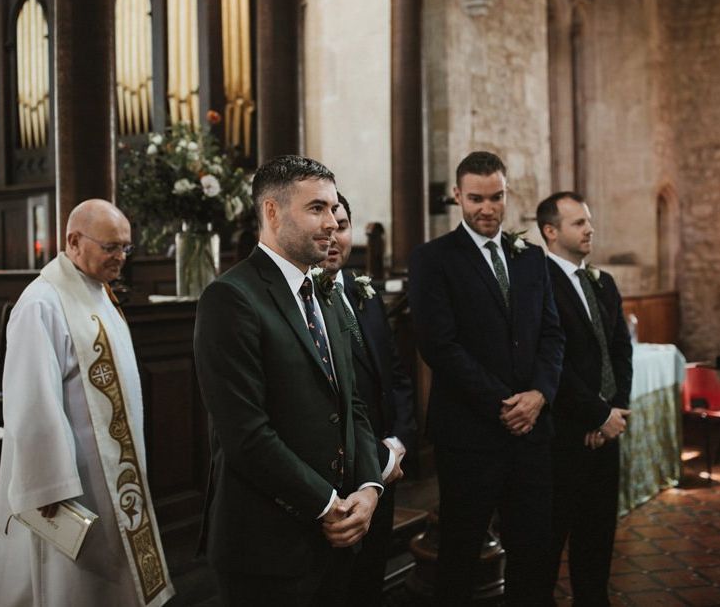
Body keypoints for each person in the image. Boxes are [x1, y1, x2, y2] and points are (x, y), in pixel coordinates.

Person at [194, 155, 383, 606]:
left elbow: (350, 403)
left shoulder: (323, 293)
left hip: (335, 537)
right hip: (267, 545)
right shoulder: (231, 297)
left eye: (335, 210)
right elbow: (246, 435)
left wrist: (369, 488)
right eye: (316, 208)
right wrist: (326, 504)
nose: (333, 222)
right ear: (272, 213)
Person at [0, 199, 174, 607]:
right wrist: (50, 484)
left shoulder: (98, 293)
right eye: (111, 247)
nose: (121, 258)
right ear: (73, 241)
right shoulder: (41, 303)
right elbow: (31, 402)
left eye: (126, 248)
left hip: (109, 472)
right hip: (68, 483)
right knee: (71, 582)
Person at [408, 151, 564, 605]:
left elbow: (552, 333)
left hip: (532, 431)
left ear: (506, 194)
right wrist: (507, 403)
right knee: (459, 554)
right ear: (458, 195)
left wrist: (539, 394)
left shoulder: (532, 258)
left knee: (533, 552)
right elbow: (439, 346)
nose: (487, 208)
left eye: (496, 197)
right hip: (469, 433)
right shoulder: (433, 259)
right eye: (476, 198)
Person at [319, 192, 417, 605]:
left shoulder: (366, 291)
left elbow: (396, 376)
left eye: (342, 227)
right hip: (334, 470)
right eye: (327, 229)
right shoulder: (305, 302)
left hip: (385, 465)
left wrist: (397, 443)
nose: (335, 239)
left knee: (371, 579)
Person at [536, 191, 632, 606]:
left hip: (605, 432)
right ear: (550, 231)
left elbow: (621, 352)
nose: (590, 228)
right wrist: (595, 414)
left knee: (598, 538)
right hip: (563, 435)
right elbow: (554, 362)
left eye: (589, 221)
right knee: (550, 540)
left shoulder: (603, 282)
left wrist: (615, 411)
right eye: (579, 223)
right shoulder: (537, 282)